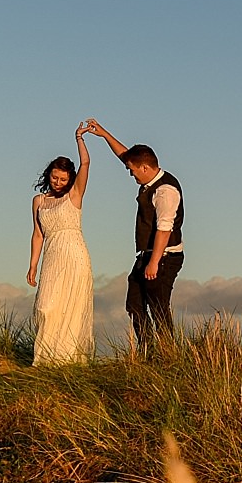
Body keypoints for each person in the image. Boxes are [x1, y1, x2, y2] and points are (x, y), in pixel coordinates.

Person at [83, 118, 184, 348]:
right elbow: (126, 156)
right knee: (134, 305)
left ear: (145, 168)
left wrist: (154, 262)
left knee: (158, 307)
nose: (131, 175)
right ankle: (147, 350)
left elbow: (163, 230)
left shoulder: (165, 191)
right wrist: (104, 134)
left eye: (133, 171)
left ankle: (169, 354)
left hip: (165, 256)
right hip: (147, 255)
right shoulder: (148, 176)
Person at [26, 124, 95, 364]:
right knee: (46, 307)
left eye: (63, 179)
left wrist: (79, 138)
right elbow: (38, 235)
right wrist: (33, 265)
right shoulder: (39, 201)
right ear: (48, 175)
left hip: (75, 255)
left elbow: (85, 164)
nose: (57, 182)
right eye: (54, 177)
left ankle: (63, 362)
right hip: (52, 256)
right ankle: (45, 357)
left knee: (71, 309)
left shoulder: (74, 195)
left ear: (70, 180)